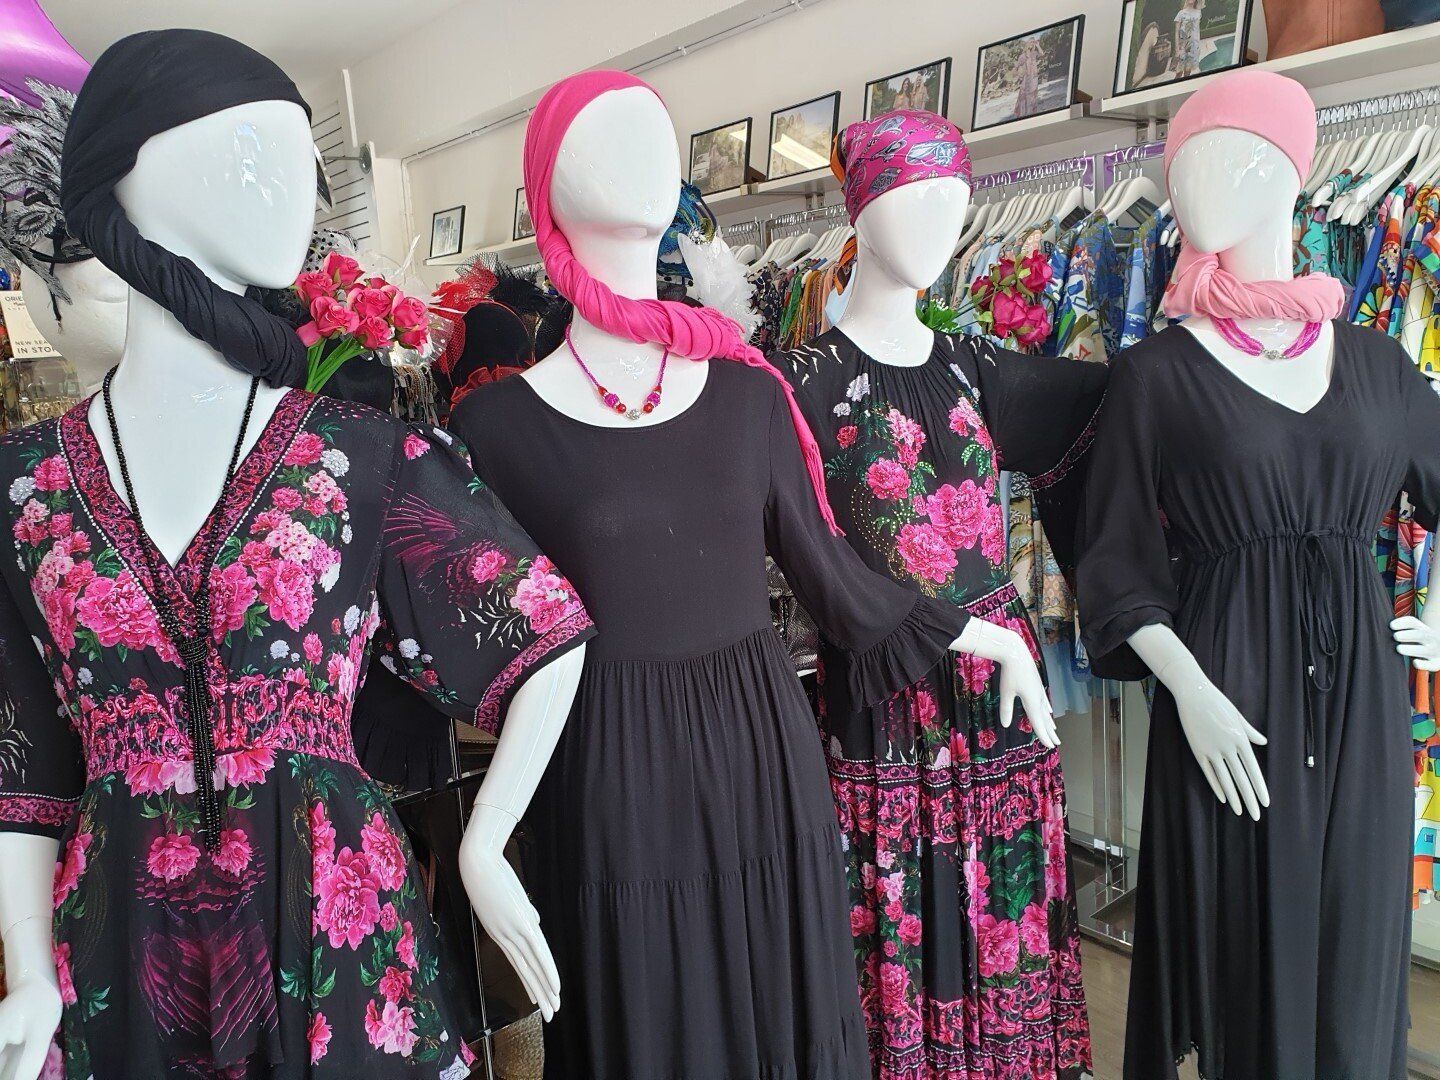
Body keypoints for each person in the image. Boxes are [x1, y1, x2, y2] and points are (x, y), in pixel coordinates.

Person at [1174, 0, 1205, 78]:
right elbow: (1176, 33)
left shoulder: (1198, 12)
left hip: (1193, 48)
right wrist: (1177, 49)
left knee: (1188, 72)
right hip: (1183, 47)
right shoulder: (1180, 13)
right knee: (1179, 72)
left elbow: (1197, 31)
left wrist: (1198, 47)